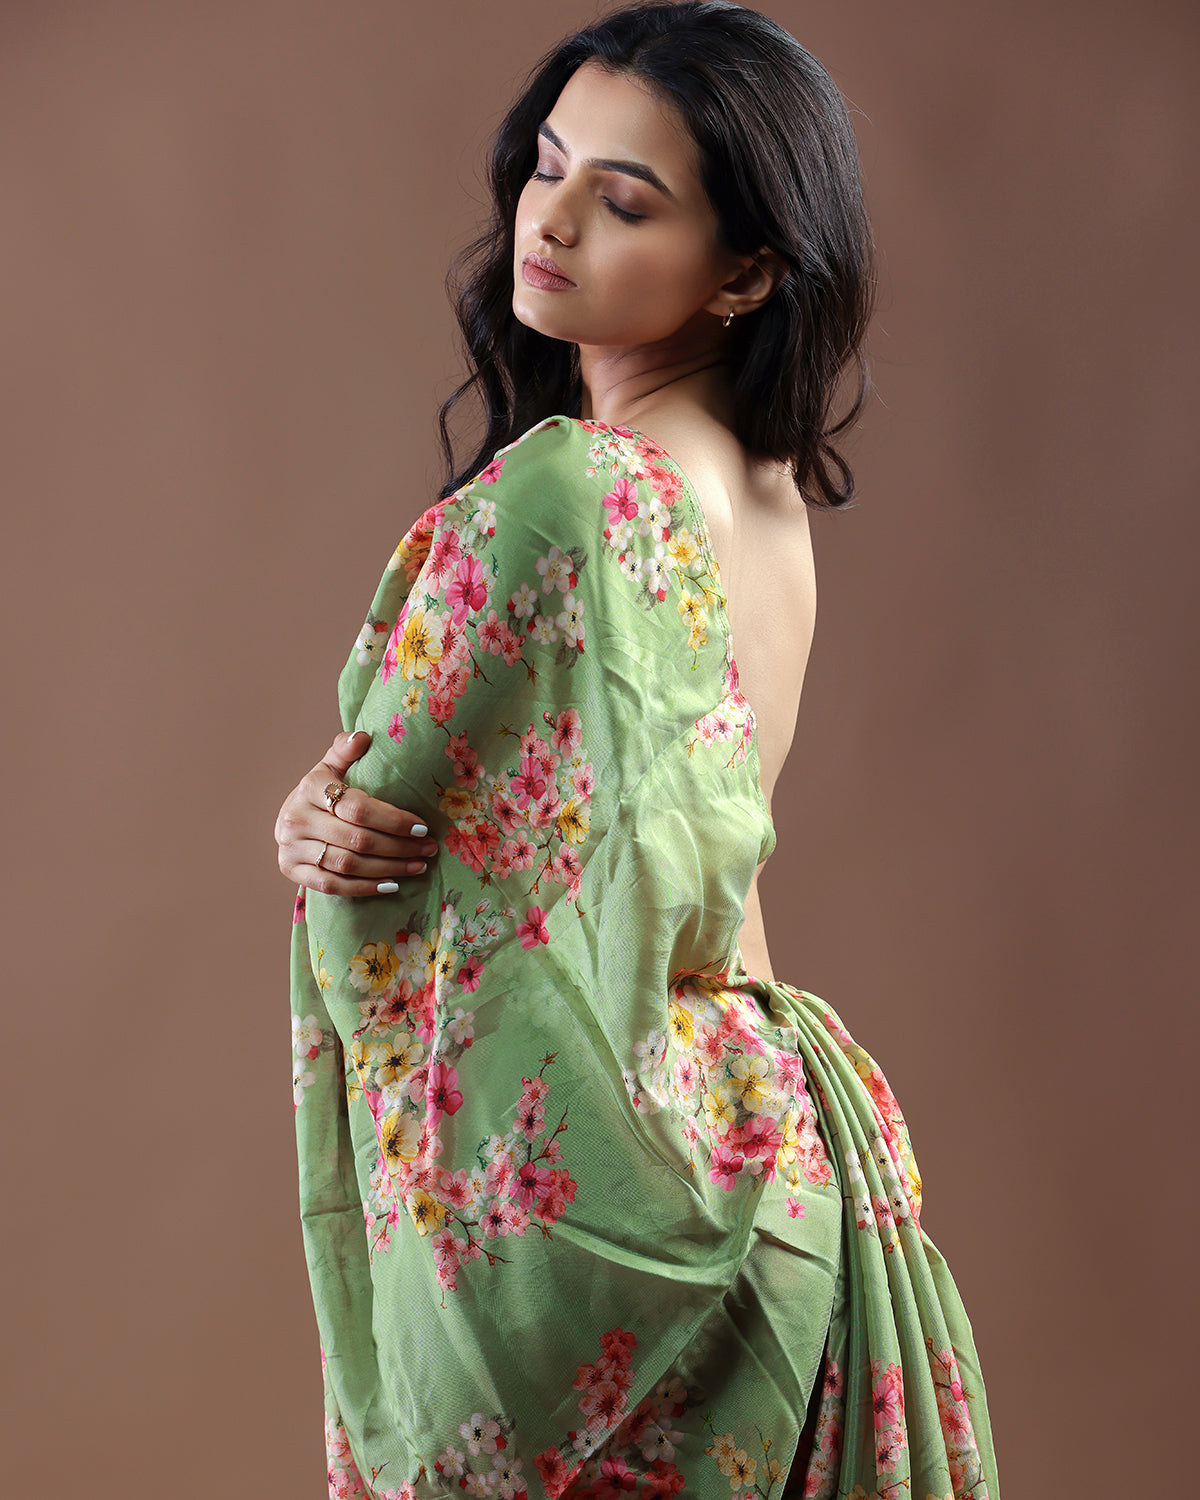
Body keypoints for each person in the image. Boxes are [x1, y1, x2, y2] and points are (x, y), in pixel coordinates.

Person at [275, 5, 1001, 1498]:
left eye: (624, 200)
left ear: (746, 272)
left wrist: (318, 835)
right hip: (783, 1144)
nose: (548, 220)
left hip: (627, 1203)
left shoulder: (572, 495)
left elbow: (398, 855)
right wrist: (338, 819)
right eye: (547, 166)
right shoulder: (769, 491)